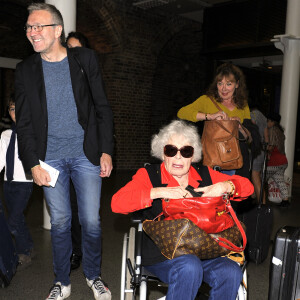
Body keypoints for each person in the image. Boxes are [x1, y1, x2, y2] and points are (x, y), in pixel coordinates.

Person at [15, 3, 113, 300]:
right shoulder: (25, 70)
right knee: (60, 223)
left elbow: (102, 107)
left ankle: (93, 275)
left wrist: (106, 151)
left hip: (86, 154)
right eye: (29, 27)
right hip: (50, 157)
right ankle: (61, 281)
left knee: (91, 221)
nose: (32, 33)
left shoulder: (85, 59)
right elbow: (25, 123)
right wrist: (32, 164)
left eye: (38, 26)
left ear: (57, 30)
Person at [111, 120, 254, 300]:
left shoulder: (205, 174)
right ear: (163, 153)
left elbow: (248, 187)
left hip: (205, 249)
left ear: (193, 156)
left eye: (185, 151)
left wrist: (225, 186)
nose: (178, 157)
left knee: (231, 271)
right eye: (171, 150)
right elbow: (117, 203)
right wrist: (157, 192)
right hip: (162, 255)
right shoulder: (149, 175)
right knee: (189, 265)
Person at [177, 63, 254, 179]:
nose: (223, 88)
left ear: (237, 85)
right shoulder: (207, 100)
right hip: (213, 157)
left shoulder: (243, 106)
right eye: (220, 83)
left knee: (234, 194)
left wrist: (238, 126)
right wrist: (210, 116)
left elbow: (249, 138)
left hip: (236, 159)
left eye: (229, 84)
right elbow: (182, 113)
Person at [65, 31, 91, 271]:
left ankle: (89, 252)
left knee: (88, 212)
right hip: (63, 153)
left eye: (76, 49)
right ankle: (75, 251)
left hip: (85, 155)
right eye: (68, 48)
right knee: (69, 208)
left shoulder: (91, 82)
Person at [0, 98, 34, 270]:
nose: (16, 113)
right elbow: (0, 159)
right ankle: (28, 244)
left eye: (19, 109)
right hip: (8, 182)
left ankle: (23, 253)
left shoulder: (32, 133)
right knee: (18, 217)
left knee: (12, 221)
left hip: (25, 182)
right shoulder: (5, 135)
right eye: (12, 109)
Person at [264, 112, 289, 208]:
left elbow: (271, 146)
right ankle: (285, 201)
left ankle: (257, 199)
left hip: (274, 161)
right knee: (280, 181)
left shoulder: (272, 130)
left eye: (268, 121)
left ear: (272, 122)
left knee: (260, 179)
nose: (267, 123)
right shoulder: (280, 131)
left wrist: (264, 149)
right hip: (282, 161)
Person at [250, 107, 267, 204]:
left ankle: (262, 203)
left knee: (255, 177)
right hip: (261, 149)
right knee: (258, 177)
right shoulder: (263, 117)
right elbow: (266, 136)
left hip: (254, 148)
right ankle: (257, 198)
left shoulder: (253, 114)